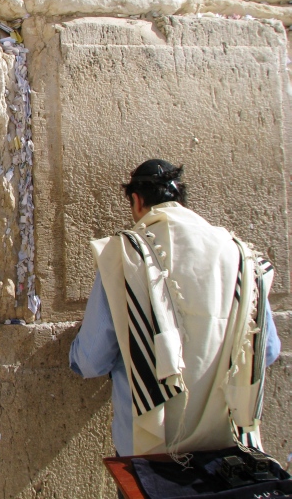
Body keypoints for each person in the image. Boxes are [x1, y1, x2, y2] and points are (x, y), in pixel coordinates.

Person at [70, 159, 281, 458]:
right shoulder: (241, 257)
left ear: (137, 201)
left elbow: (92, 360)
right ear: (181, 199)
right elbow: (267, 351)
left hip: (153, 454)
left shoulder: (126, 256)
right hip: (229, 449)